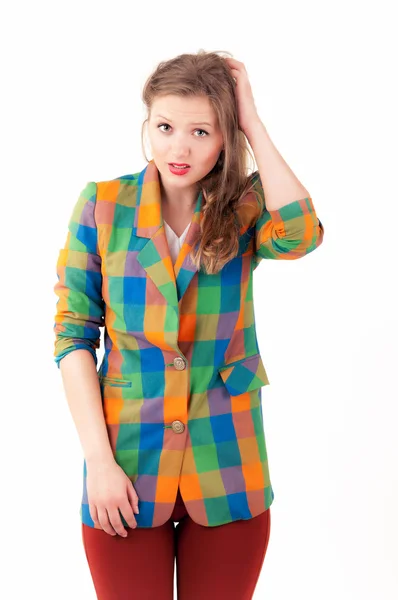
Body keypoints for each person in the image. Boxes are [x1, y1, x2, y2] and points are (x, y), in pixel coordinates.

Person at [53, 50, 324, 600]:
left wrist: (250, 119)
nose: (180, 147)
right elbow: (73, 336)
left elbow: (301, 234)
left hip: (228, 462)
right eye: (166, 126)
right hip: (125, 469)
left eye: (202, 131)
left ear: (226, 137)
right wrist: (99, 464)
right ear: (147, 123)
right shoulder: (103, 206)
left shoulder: (244, 205)